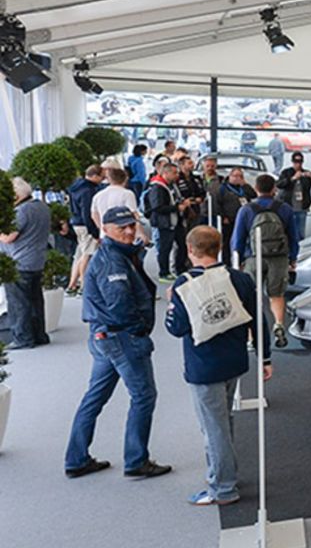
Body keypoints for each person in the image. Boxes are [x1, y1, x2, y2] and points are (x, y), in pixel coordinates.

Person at [165, 226, 272, 505]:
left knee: (213, 427)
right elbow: (257, 320)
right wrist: (265, 356)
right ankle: (226, 472)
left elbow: (176, 329)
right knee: (223, 422)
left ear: (190, 251)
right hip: (234, 360)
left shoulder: (183, 284)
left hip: (203, 366)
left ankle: (222, 488)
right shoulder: (240, 279)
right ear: (220, 247)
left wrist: (169, 305)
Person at [64, 207, 170, 480]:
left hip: (104, 336)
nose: (129, 231)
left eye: (131, 225)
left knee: (94, 397)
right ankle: (136, 460)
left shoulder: (120, 254)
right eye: (121, 227)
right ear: (106, 229)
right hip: (120, 336)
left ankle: (76, 459)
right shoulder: (112, 261)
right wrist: (138, 331)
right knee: (144, 397)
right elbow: (120, 304)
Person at [230, 174, 297, 348]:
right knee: (277, 294)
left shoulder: (247, 210)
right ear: (274, 189)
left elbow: (238, 237)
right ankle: (279, 324)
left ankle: (252, 338)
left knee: (252, 297)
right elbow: (293, 236)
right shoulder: (285, 209)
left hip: (253, 257)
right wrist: (293, 259)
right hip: (279, 258)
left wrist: (238, 259)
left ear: (256, 189)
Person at [0, 178, 53, 349]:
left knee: (18, 303)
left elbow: (8, 237)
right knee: (35, 300)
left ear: (15, 195)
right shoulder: (41, 206)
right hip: (37, 260)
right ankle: (39, 335)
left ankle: (23, 338)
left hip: (19, 261)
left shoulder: (21, 212)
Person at [65, 165, 106, 293]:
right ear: (94, 176)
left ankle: (72, 284)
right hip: (85, 225)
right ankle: (84, 285)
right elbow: (87, 213)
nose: (103, 179)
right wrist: (95, 232)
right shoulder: (88, 190)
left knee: (80, 255)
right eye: (102, 176)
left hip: (77, 223)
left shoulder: (77, 186)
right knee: (87, 255)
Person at [142, 162, 183, 281]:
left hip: (174, 221)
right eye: (174, 173)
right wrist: (177, 208)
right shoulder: (157, 187)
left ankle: (178, 268)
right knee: (165, 248)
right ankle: (163, 272)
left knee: (181, 245)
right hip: (164, 222)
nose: (177, 175)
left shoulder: (170, 185)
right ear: (165, 173)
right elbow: (157, 207)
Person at [275, 153, 311, 242]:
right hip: (289, 206)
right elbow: (279, 184)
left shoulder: (306, 174)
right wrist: (292, 178)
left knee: (300, 232)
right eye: (296, 162)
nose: (298, 164)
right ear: (292, 162)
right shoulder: (286, 172)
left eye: (300, 162)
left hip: (302, 207)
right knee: (288, 231)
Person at [209, 167, 256, 250]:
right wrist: (223, 217)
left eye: (240, 176)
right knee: (227, 241)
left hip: (243, 218)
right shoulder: (222, 188)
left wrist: (244, 184)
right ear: (230, 176)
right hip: (229, 219)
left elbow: (253, 195)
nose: (237, 178)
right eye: (235, 176)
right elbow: (216, 203)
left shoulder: (243, 188)